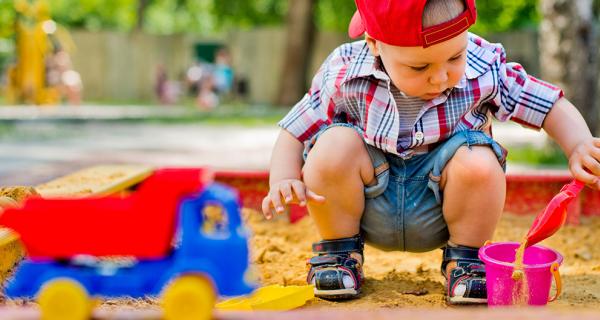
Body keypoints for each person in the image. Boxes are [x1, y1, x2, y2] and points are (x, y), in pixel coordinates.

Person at [261, 0, 600, 305]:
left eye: (455, 57)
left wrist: (579, 144)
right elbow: (295, 128)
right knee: (333, 144)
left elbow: (543, 102)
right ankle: (338, 255)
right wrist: (284, 177)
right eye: (419, 68)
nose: (440, 77)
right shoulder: (345, 71)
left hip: (443, 206)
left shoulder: (483, 65)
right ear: (375, 45)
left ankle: (465, 261)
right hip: (367, 204)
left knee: (478, 159)